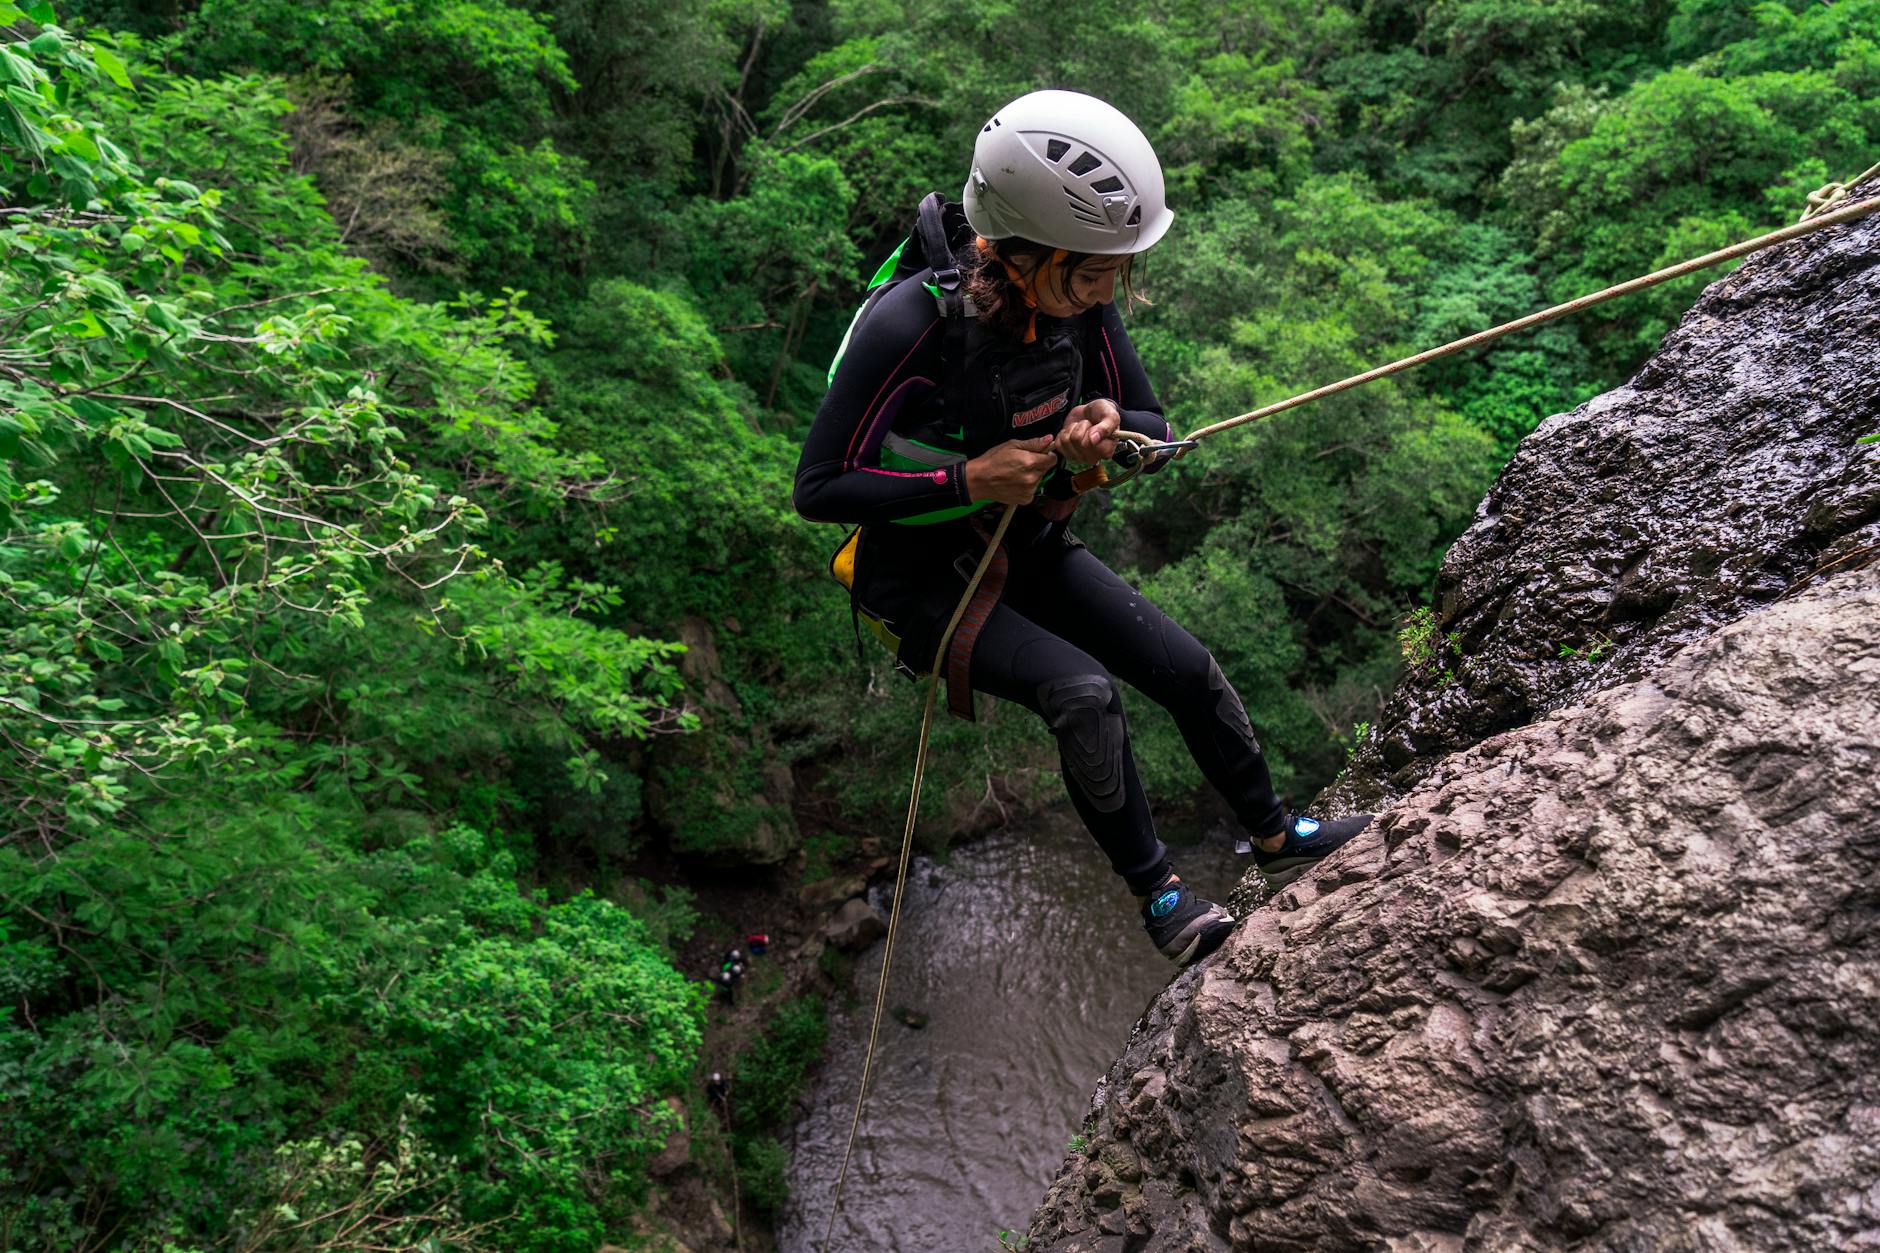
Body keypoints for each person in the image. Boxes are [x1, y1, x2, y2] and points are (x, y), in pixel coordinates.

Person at [793, 90, 1372, 966]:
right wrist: (967, 476)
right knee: (1082, 692)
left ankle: (1275, 831)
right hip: (916, 577)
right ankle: (1163, 898)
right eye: (1094, 269)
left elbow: (1155, 423)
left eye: (1114, 269)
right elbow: (820, 485)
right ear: (1022, 248)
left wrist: (1108, 426)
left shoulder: (1076, 301)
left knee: (1181, 664)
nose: (1111, 290)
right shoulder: (911, 323)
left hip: (1019, 542)